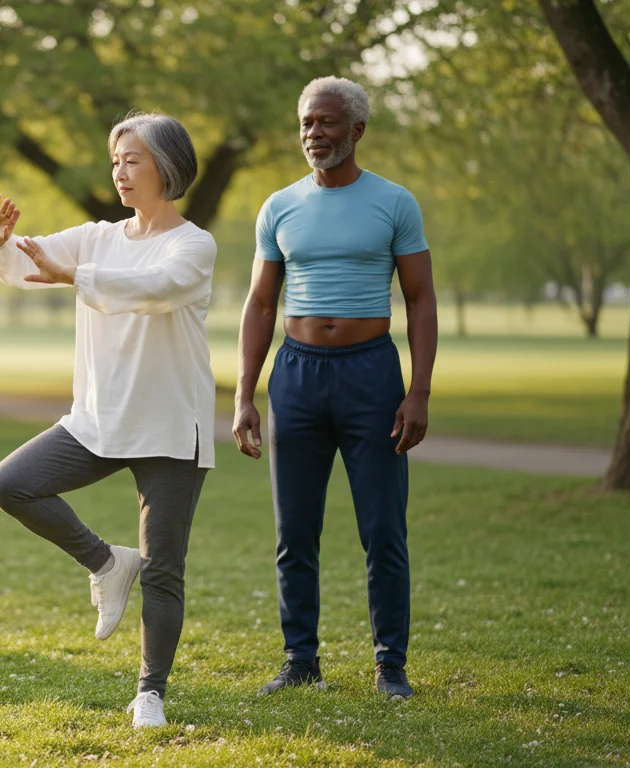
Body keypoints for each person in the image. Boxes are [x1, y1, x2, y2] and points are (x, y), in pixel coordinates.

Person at [0, 112, 216, 728]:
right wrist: (0, 243)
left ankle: (150, 694)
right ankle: (106, 563)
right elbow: (24, 265)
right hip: (99, 421)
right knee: (11, 483)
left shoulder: (193, 245)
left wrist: (76, 275)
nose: (119, 172)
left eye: (132, 160)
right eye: (115, 162)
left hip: (170, 427)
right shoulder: (96, 237)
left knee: (164, 567)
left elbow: (154, 287)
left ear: (166, 166)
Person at [232, 77, 438, 702]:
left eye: (325, 122)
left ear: (357, 130)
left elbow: (422, 299)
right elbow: (261, 303)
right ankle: (300, 660)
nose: (313, 134)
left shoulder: (395, 203)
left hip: (372, 375)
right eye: (305, 123)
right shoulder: (279, 207)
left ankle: (391, 666)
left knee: (383, 529)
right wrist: (246, 393)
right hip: (296, 376)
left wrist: (420, 390)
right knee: (294, 531)